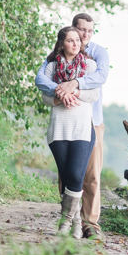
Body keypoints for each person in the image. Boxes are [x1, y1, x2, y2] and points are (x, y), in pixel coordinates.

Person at [35, 13, 109, 239]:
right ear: (73, 29)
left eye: (89, 31)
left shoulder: (96, 55)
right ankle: (71, 218)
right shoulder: (54, 60)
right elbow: (41, 81)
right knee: (68, 175)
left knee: (90, 175)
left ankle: (89, 224)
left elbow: (100, 79)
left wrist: (74, 84)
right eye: (80, 30)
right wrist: (59, 93)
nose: (84, 35)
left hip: (91, 121)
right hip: (62, 122)